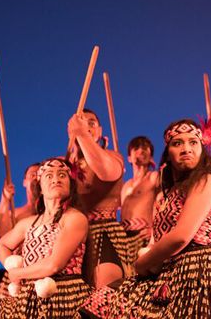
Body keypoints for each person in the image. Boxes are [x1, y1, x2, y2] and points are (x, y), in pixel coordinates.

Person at [83, 119, 211, 318]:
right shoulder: (168, 194)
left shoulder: (205, 181)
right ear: (168, 154)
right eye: (177, 143)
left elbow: (181, 237)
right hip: (168, 270)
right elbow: (160, 238)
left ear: (202, 148)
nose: (186, 149)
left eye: (193, 142)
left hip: (198, 270)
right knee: (100, 304)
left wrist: (140, 265)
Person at [0, 157, 91, 319]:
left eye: (62, 175)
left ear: (71, 185)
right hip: (28, 294)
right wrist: (13, 268)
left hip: (63, 293)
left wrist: (18, 273)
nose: (56, 179)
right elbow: (1, 245)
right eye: (49, 176)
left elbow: (54, 265)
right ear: (40, 187)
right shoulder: (28, 223)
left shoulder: (75, 218)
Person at [67, 109, 131, 288]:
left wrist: (82, 134)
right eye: (81, 122)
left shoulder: (112, 157)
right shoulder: (64, 166)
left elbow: (104, 171)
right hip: (70, 238)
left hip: (103, 234)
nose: (86, 126)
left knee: (104, 298)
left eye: (91, 123)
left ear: (100, 131)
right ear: (70, 129)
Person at [0, 163, 40, 299]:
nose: (36, 178)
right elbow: (1, 232)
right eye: (32, 175)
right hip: (18, 273)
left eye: (39, 174)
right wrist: (5, 199)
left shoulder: (54, 212)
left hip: (43, 270)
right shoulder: (17, 214)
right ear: (24, 182)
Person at [120, 136, 158, 266]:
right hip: (125, 240)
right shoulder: (125, 186)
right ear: (129, 158)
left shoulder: (153, 178)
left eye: (145, 148)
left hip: (144, 236)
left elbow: (163, 201)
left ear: (151, 157)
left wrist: (154, 231)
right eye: (136, 148)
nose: (141, 150)